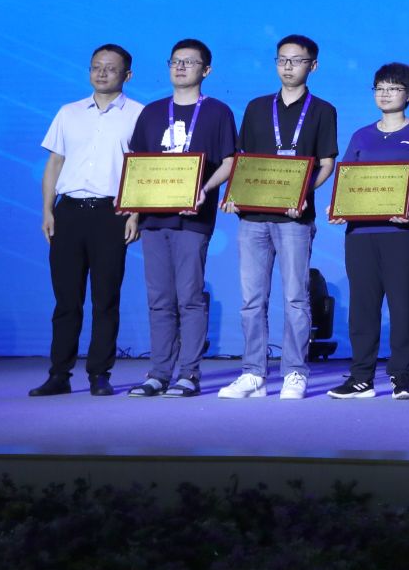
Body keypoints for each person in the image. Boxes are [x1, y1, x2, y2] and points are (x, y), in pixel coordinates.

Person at [219, 35, 339, 401]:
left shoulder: (323, 110)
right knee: (251, 301)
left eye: (296, 60)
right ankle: (253, 373)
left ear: (312, 66)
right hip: (252, 218)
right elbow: (243, 160)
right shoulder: (257, 107)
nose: (288, 66)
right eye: (282, 59)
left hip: (294, 219)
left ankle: (295, 372)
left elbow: (326, 164)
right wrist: (233, 195)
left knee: (296, 299)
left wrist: (302, 196)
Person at [125, 39, 238, 398]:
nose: (180, 67)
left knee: (189, 296)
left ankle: (189, 373)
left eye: (189, 62)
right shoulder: (152, 112)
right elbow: (139, 167)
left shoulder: (218, 112)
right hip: (153, 218)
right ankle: (158, 373)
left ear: (207, 70)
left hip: (193, 218)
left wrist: (203, 189)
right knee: (159, 297)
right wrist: (133, 212)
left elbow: (230, 162)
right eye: (175, 61)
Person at [31, 44, 142, 397]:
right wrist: (47, 210)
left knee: (105, 299)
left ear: (127, 75)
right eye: (96, 66)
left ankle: (99, 374)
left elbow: (142, 170)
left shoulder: (139, 115)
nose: (102, 72)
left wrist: (135, 212)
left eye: (110, 67)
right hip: (69, 212)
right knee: (66, 299)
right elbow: (54, 164)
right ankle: (59, 374)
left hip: (112, 214)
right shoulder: (69, 112)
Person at [327, 63, 409, 399]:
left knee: (402, 305)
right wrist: (338, 207)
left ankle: (402, 377)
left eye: (393, 88)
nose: (385, 94)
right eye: (379, 87)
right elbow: (349, 181)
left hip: (404, 232)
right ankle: (361, 377)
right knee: (362, 307)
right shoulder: (361, 136)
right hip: (361, 233)